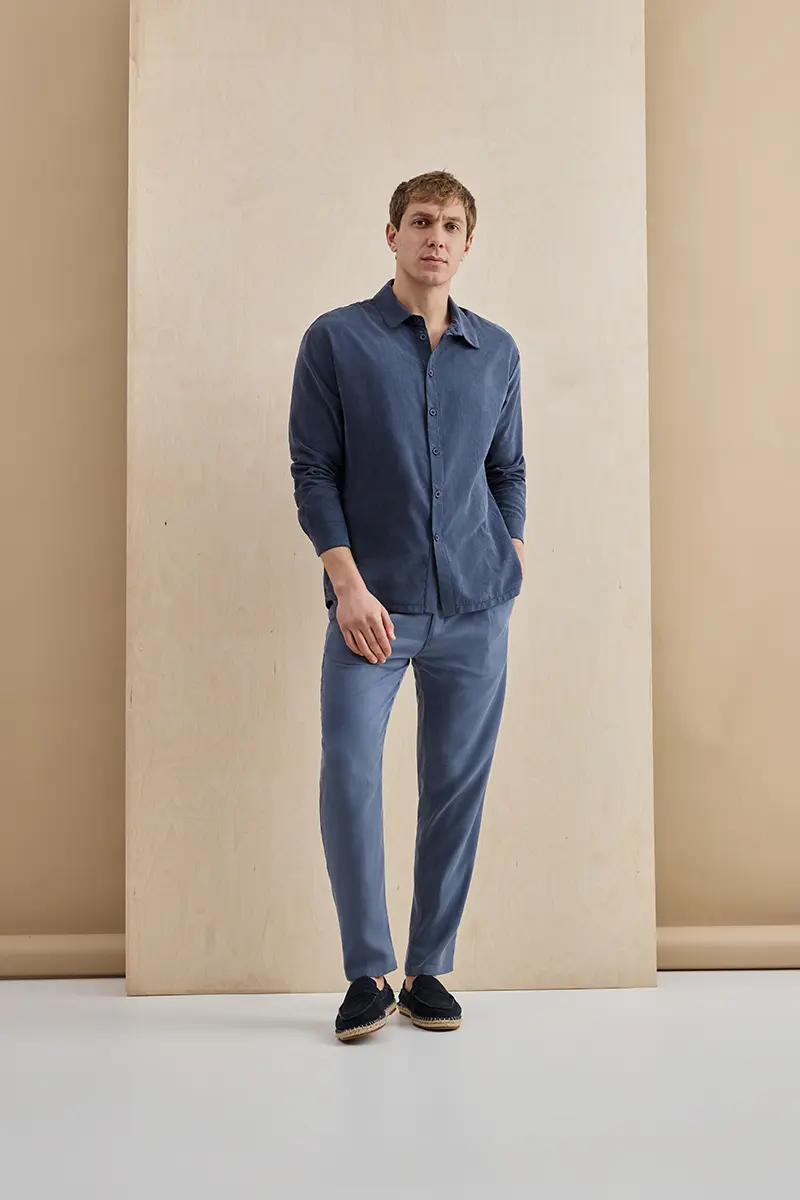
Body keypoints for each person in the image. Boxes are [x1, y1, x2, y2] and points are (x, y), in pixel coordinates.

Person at [288, 170, 526, 1042]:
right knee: (350, 773)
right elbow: (314, 470)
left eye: (451, 225)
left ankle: (428, 971)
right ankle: (367, 972)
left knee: (455, 787)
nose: (436, 236)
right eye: (421, 221)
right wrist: (347, 585)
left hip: (476, 603)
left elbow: (508, 469)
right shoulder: (336, 340)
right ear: (392, 234)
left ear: (468, 243)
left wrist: (513, 551)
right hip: (372, 609)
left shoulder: (496, 351)